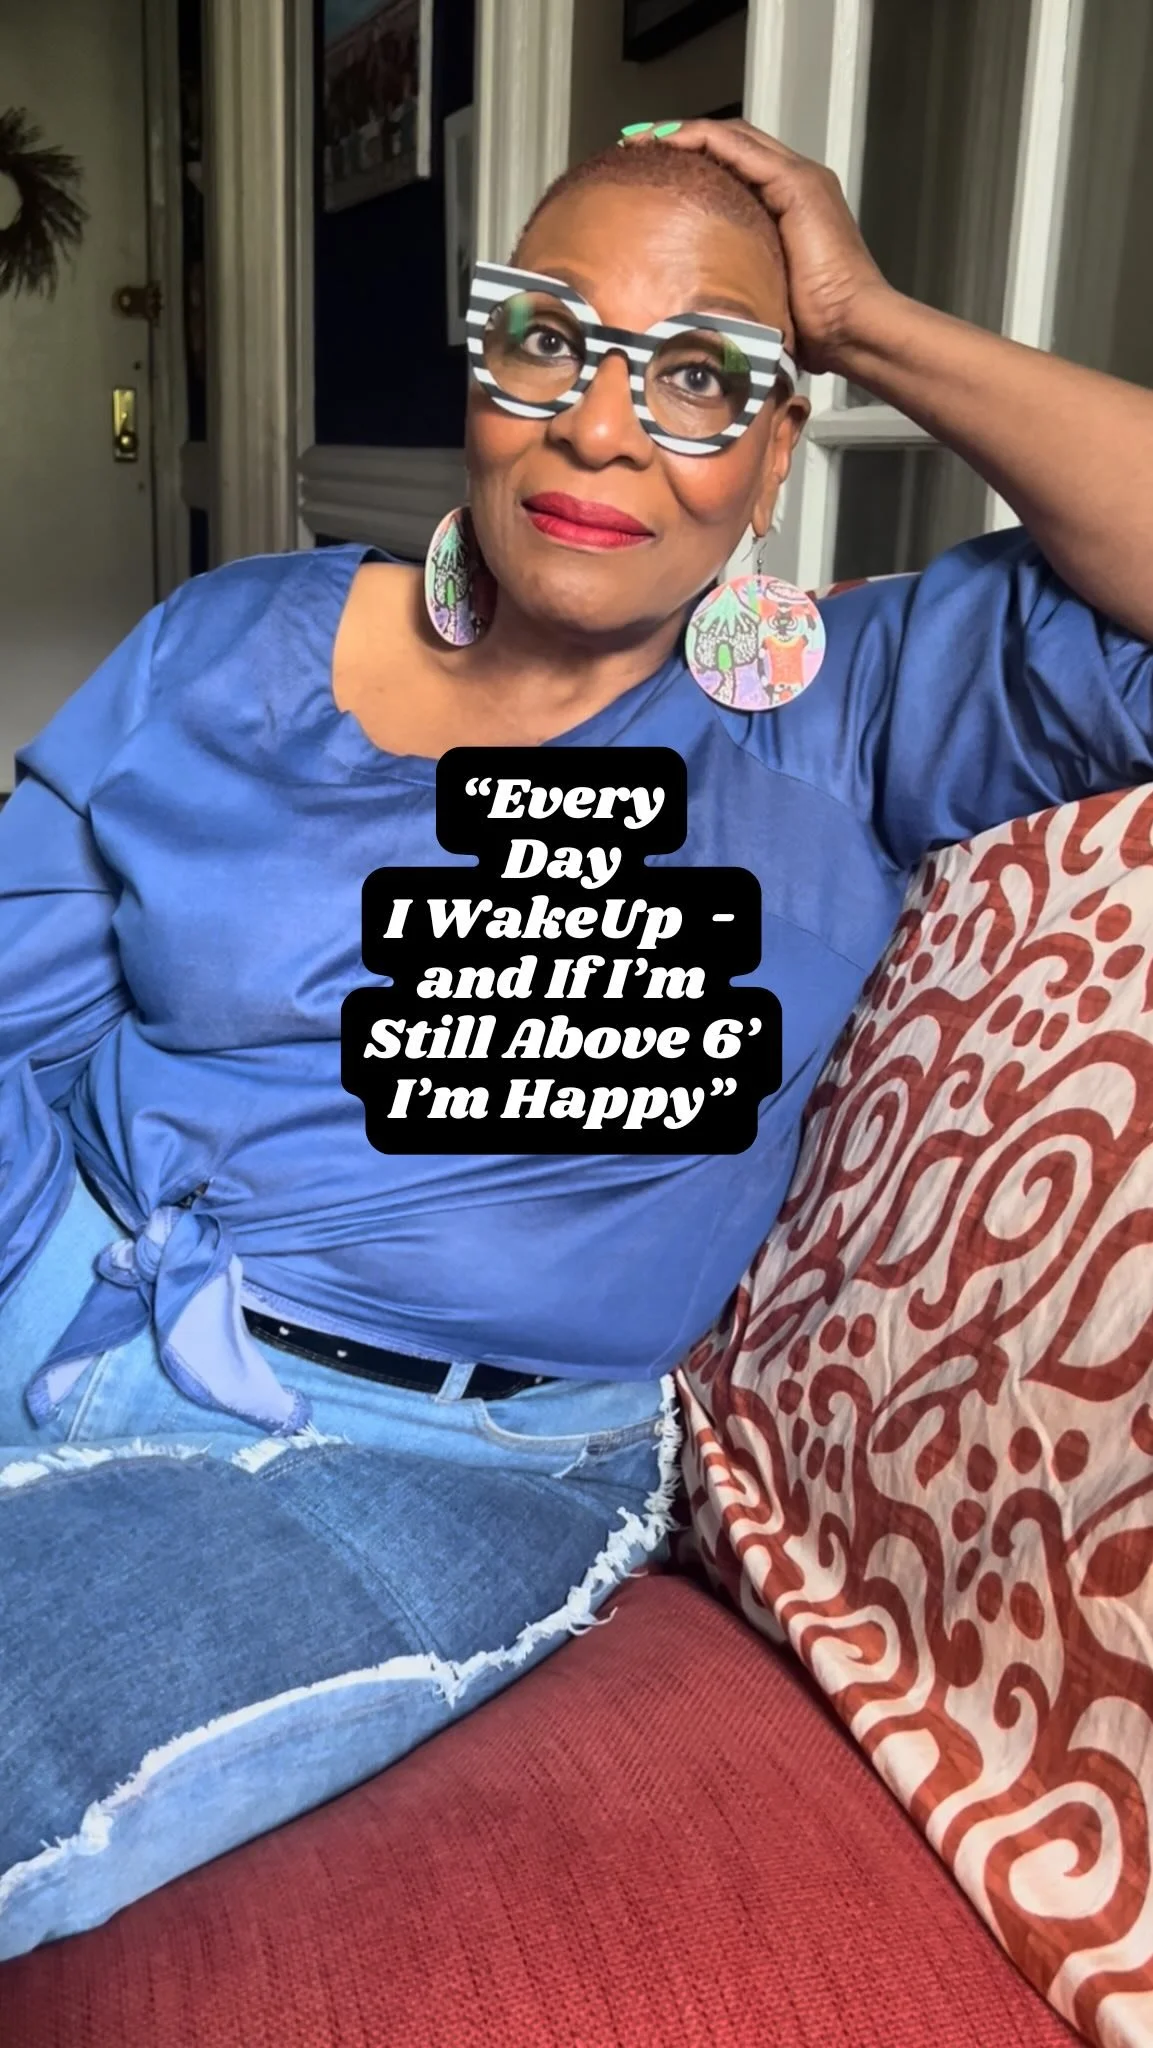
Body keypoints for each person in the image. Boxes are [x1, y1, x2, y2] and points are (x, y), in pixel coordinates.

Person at [2, 118, 1152, 1959]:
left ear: (776, 453)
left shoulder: (848, 714)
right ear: (483, 374)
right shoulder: (229, 638)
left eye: (702, 376)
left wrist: (869, 319)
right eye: (550, 339)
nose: (604, 427)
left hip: (416, 1457)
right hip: (52, 1264)